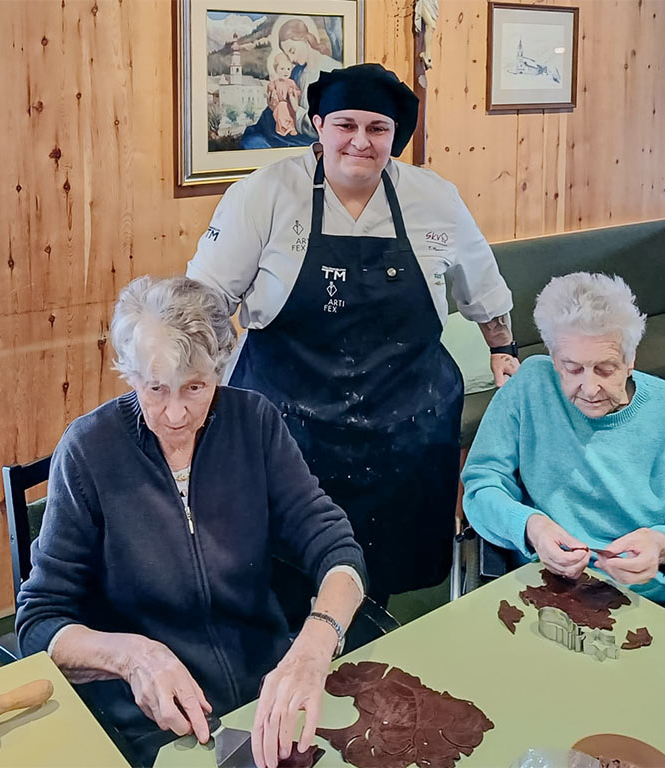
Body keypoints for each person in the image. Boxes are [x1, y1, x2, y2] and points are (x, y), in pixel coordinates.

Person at [188, 63, 517, 604]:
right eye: (345, 124)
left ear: (394, 136)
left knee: (380, 575)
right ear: (317, 124)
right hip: (287, 426)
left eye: (377, 129)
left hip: (404, 425)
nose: (359, 142)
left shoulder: (433, 198)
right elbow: (204, 303)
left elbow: (483, 287)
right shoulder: (263, 196)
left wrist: (502, 349)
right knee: (280, 572)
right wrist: (189, 385)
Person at [16, 276, 367, 768]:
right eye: (155, 388)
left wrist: (313, 645)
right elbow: (38, 623)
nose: (176, 414)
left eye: (196, 388)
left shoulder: (255, 423)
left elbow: (337, 550)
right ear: (130, 374)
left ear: (220, 372)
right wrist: (133, 657)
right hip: (154, 724)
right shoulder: (88, 452)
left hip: (267, 696)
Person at [462, 273, 665, 611]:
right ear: (554, 359)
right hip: (542, 590)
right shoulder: (530, 387)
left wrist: (663, 544)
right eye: (571, 369)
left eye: (605, 369)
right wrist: (532, 527)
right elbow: (482, 485)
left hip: (647, 600)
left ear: (631, 360)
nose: (588, 388)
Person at [278, 18, 342, 138]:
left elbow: (327, 126)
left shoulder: (333, 70)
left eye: (292, 51)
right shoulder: (297, 74)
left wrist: (296, 109)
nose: (291, 59)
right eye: (287, 55)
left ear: (305, 40)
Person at [267, 52, 302, 137]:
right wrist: (272, 91)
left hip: (289, 106)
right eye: (282, 69)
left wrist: (293, 93)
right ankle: (283, 128)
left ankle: (290, 127)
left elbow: (298, 92)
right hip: (278, 106)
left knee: (286, 108)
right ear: (276, 70)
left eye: (288, 69)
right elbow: (270, 94)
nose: (285, 72)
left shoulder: (291, 83)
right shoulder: (275, 83)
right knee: (281, 106)